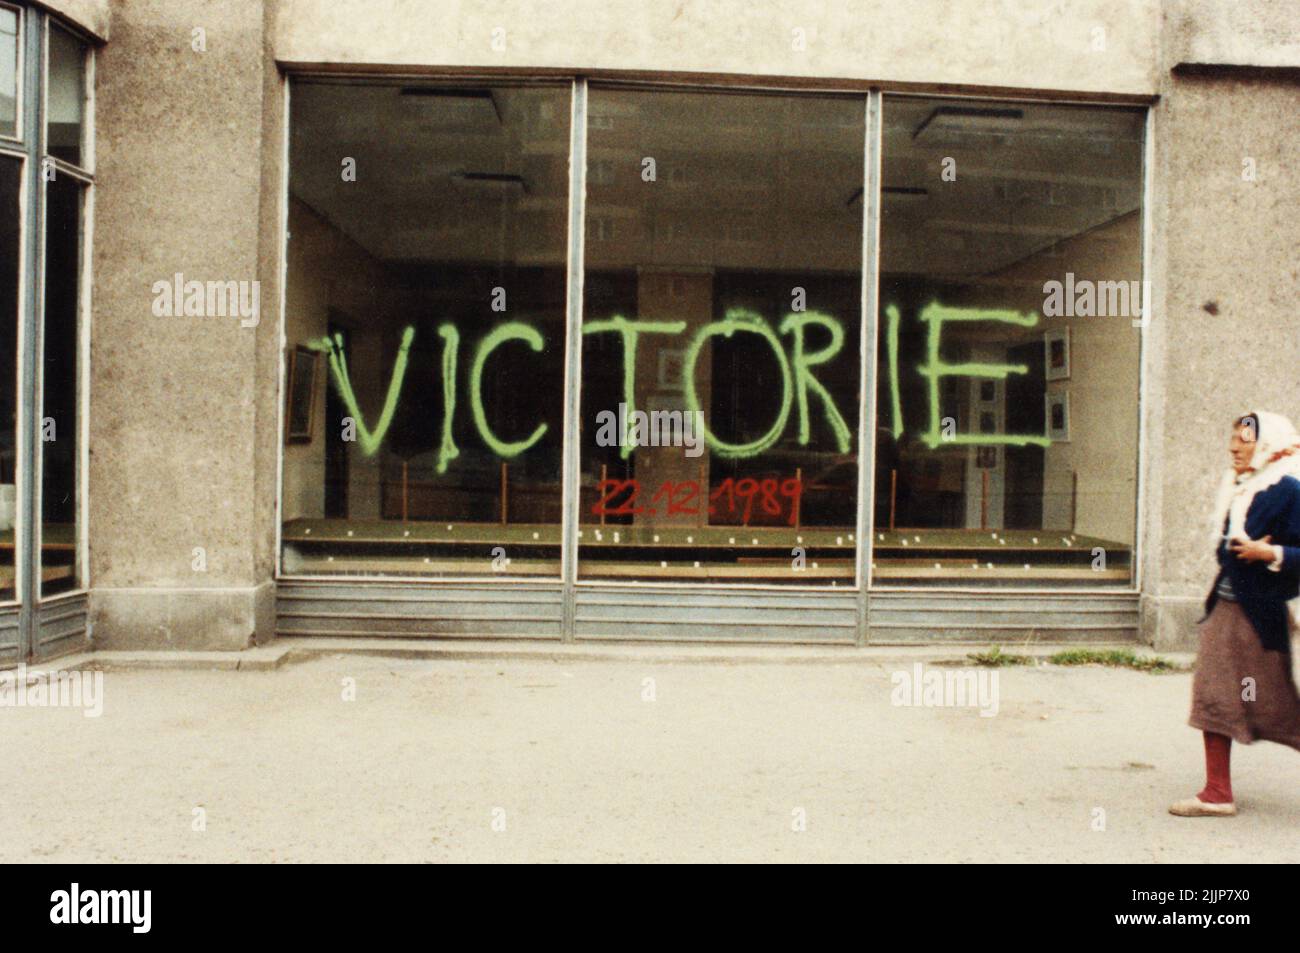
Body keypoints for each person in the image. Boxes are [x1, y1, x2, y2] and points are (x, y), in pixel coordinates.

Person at [1170, 411, 1300, 817]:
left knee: (1270, 704)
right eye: (1233, 438)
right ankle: (1217, 792)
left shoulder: (1288, 488)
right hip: (1230, 608)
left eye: (1244, 439)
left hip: (1253, 615)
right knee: (1220, 696)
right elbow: (1227, 549)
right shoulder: (1245, 486)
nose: (1233, 447)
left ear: (1268, 443)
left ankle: (1217, 793)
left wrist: (1272, 553)